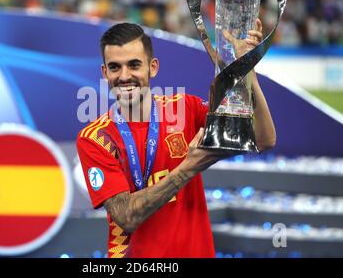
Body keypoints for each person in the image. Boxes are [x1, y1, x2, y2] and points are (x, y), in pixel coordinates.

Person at [76, 21, 275, 258]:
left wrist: (246, 70)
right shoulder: (96, 138)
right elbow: (127, 217)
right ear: (104, 72)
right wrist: (189, 167)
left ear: (153, 67)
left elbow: (263, 139)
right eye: (115, 67)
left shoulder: (184, 109)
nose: (124, 76)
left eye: (134, 65)